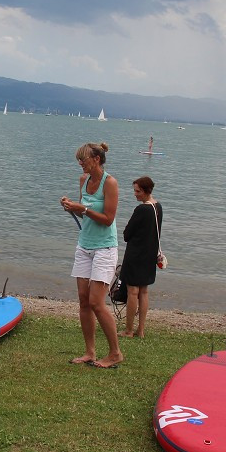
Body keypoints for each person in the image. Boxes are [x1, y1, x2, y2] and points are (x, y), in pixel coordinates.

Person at [60, 142, 123, 369]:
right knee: (84, 300)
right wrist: (71, 207)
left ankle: (115, 353)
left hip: (105, 248)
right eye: (79, 160)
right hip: (84, 246)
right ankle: (90, 352)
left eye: (83, 160)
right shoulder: (83, 180)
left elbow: (108, 219)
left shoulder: (110, 183)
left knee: (97, 302)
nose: (80, 163)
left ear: (96, 159)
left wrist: (83, 209)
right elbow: (85, 214)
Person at [118, 176, 162, 338]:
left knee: (132, 292)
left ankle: (129, 329)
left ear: (145, 191)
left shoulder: (142, 209)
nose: (135, 194)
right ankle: (140, 330)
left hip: (136, 254)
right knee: (144, 291)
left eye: (137, 191)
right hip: (150, 253)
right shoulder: (158, 207)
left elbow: (127, 234)